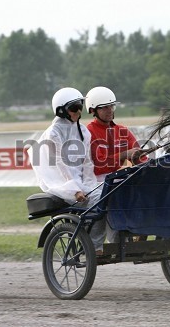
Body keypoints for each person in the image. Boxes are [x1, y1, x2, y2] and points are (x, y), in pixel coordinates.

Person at [27, 87, 111, 255]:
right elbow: (59, 163)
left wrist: (90, 185)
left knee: (110, 192)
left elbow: (87, 163)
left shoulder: (83, 131)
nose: (79, 111)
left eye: (80, 106)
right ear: (61, 110)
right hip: (61, 184)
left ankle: (100, 237)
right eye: (74, 108)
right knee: (101, 197)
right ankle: (94, 246)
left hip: (80, 183)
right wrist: (75, 190)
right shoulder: (54, 133)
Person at [85, 86, 147, 182]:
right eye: (105, 107)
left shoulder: (123, 130)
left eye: (112, 106)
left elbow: (142, 159)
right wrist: (124, 155)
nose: (110, 110)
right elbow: (98, 167)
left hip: (124, 179)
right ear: (93, 110)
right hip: (101, 184)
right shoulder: (88, 132)